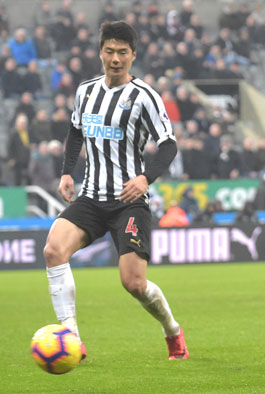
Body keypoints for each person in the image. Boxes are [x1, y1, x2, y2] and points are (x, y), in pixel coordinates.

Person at [44, 21, 188, 362]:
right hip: (91, 197)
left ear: (133, 55)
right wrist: (67, 172)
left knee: (134, 284)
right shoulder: (86, 91)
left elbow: (168, 145)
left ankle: (172, 330)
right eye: (109, 51)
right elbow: (76, 131)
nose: (115, 58)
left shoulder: (145, 96)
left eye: (123, 52)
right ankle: (71, 341)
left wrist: (145, 179)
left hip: (129, 202)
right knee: (53, 250)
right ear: (100, 53)